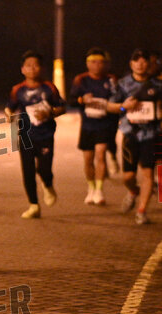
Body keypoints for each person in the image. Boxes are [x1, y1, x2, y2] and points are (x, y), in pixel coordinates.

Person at [5, 51, 66, 219]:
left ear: (41, 68)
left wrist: (50, 113)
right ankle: (33, 205)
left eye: (36, 65)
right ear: (22, 69)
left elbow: (62, 107)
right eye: (28, 66)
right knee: (28, 171)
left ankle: (48, 184)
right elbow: (9, 107)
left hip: (45, 134)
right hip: (25, 135)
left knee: (44, 169)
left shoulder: (49, 88)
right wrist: (9, 115)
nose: (32, 68)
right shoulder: (17, 90)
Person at [107, 48, 162, 225]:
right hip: (130, 134)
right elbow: (110, 106)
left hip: (151, 134)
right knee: (128, 177)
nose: (140, 64)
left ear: (149, 64)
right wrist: (124, 107)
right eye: (136, 61)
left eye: (144, 61)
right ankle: (133, 191)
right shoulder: (123, 84)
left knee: (148, 173)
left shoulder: (158, 85)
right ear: (131, 64)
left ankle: (141, 211)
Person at [69, 48, 117, 205]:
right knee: (88, 160)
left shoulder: (111, 79)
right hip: (87, 125)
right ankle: (91, 188)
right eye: (94, 62)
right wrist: (82, 100)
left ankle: (99, 190)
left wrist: (110, 105)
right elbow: (71, 100)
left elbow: (118, 98)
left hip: (104, 124)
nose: (97, 65)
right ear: (88, 64)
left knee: (101, 155)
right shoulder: (81, 80)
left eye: (101, 62)